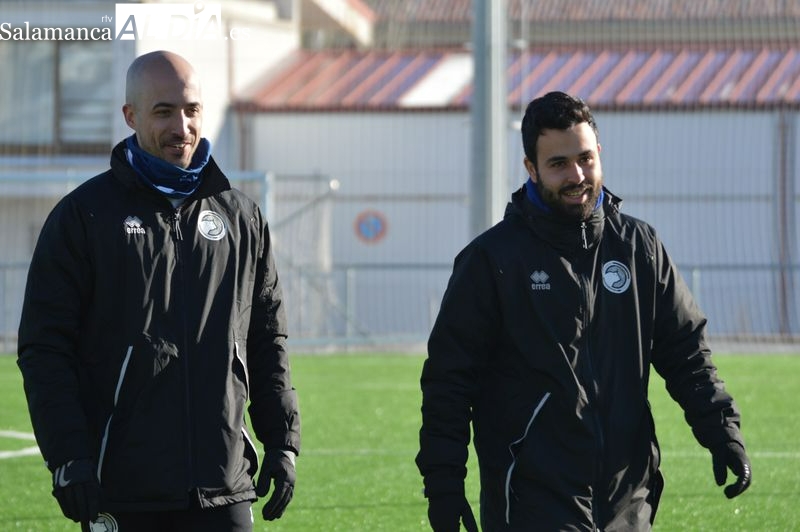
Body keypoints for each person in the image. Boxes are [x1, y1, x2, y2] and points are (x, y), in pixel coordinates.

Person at [416, 91, 751, 531]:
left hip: (628, 497)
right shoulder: (491, 261)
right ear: (531, 169)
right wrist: (444, 483)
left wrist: (721, 430)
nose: (577, 175)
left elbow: (685, 351)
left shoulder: (638, 248)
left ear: (599, 154)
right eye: (558, 164)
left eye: (586, 158)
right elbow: (449, 382)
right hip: (531, 499)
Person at [17, 50, 300, 532]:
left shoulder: (241, 217)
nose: (182, 127)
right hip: (121, 487)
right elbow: (45, 348)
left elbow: (266, 339)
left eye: (191, 110)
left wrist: (282, 442)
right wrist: (69, 457)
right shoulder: (84, 217)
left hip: (223, 482)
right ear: (131, 116)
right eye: (163, 111)